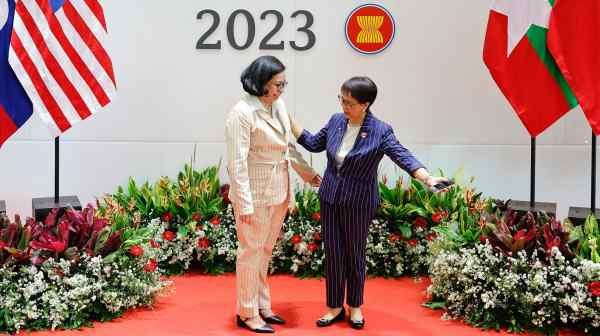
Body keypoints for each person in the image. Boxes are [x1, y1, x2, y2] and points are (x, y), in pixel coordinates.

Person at [288, 76, 447, 330]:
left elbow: (401, 154)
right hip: (330, 198)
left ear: (366, 104)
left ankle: (355, 306)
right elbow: (314, 143)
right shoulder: (336, 121)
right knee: (334, 254)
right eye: (341, 99)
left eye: (349, 102)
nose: (343, 106)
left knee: (354, 254)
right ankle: (334, 307)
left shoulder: (380, 130)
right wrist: (287, 118)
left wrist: (426, 177)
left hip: (358, 202)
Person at [225, 55, 321, 334]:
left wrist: (308, 174)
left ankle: (262, 307)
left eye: (283, 84)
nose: (281, 89)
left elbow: (287, 147)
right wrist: (243, 204)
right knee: (250, 252)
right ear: (260, 82)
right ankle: (246, 312)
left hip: (279, 190)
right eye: (277, 84)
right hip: (253, 195)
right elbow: (236, 163)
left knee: (264, 251)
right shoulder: (241, 113)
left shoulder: (277, 105)